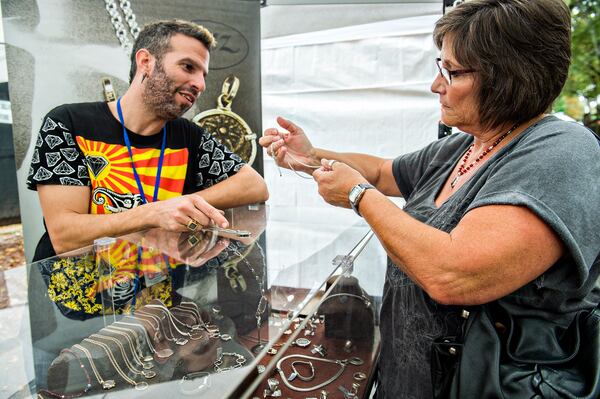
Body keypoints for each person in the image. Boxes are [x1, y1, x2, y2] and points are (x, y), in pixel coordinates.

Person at [260, 0, 600, 397]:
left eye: (451, 72)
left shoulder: (561, 152)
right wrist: (311, 157)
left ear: (510, 75)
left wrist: (357, 195)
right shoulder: (464, 147)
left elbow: (453, 275)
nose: (436, 85)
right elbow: (384, 172)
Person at [26, 19, 268, 261]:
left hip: (155, 291)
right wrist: (154, 213)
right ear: (146, 62)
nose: (200, 84)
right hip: (79, 292)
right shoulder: (69, 123)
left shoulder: (187, 136)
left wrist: (182, 204)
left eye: (203, 75)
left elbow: (254, 186)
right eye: (188, 67)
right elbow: (64, 236)